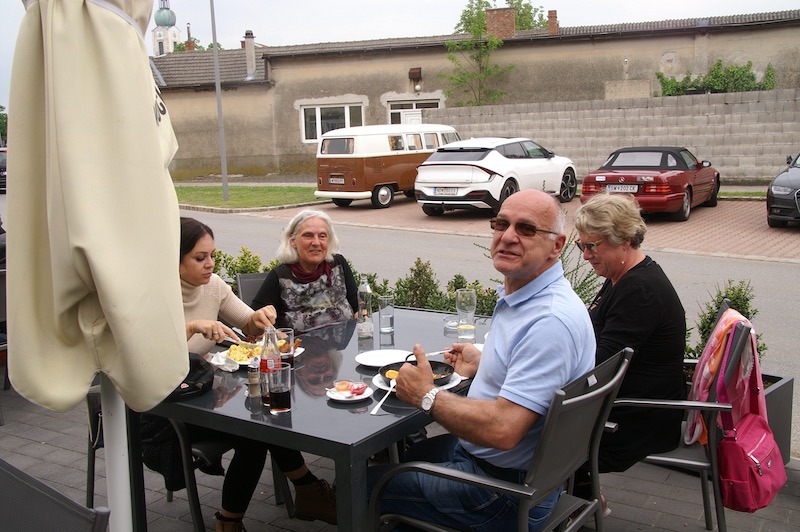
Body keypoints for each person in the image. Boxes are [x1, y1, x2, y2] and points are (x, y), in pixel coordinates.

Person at [368, 190, 596, 530]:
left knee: (361, 484)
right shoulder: (531, 295)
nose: (508, 237)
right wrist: (486, 362)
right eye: (501, 224)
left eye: (526, 229)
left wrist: (425, 395)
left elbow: (503, 430)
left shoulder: (549, 321)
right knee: (409, 457)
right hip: (509, 468)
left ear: (557, 245)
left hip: (506, 494)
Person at [142, 217, 337, 530]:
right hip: (162, 406)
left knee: (266, 415)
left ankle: (287, 498)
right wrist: (191, 327)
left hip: (204, 391)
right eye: (200, 257)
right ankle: (301, 492)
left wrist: (261, 317)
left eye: (212, 255)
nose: (210, 264)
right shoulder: (153, 296)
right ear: (173, 259)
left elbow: (248, 322)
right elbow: (143, 353)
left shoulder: (213, 286)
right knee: (256, 430)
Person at [572, 192, 686, 499]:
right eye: (581, 246)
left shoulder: (639, 290)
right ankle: (578, 497)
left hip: (636, 419)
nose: (585, 255)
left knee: (536, 430)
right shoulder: (622, 276)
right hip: (623, 404)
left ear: (623, 241)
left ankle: (570, 500)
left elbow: (601, 365)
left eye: (592, 246)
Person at [252, 209, 358, 333]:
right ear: (293, 241)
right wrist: (278, 336)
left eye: (322, 236)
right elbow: (255, 321)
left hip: (343, 345)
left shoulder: (338, 264)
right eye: (308, 235)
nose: (316, 242)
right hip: (298, 345)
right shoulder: (280, 277)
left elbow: (358, 308)